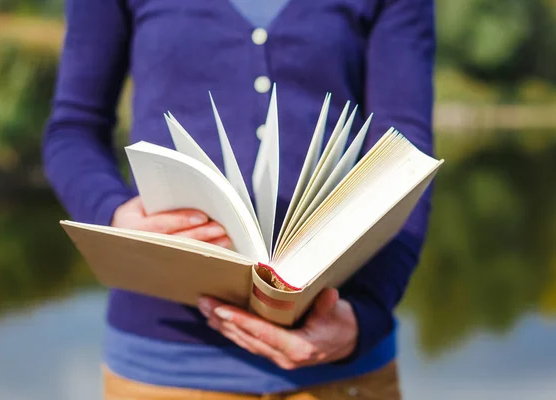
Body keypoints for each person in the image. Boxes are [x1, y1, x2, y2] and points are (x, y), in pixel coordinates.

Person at [42, 0, 435, 398]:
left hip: (345, 372)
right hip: (161, 373)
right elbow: (74, 128)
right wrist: (115, 214)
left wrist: (366, 312)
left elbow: (406, 156)